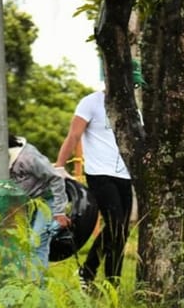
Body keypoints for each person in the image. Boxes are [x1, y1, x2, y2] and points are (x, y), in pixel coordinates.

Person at [56, 88, 133, 286]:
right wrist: (59, 166)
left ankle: (112, 283)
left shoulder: (131, 106)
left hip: (125, 174)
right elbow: (74, 136)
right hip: (99, 173)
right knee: (116, 225)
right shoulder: (91, 102)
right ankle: (88, 271)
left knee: (122, 232)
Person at [0, 133, 70, 269]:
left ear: (1, 152)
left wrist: (59, 212)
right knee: (15, 243)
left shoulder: (28, 157)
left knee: (36, 242)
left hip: (45, 200)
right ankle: (17, 279)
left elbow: (55, 178)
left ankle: (37, 281)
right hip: (19, 205)